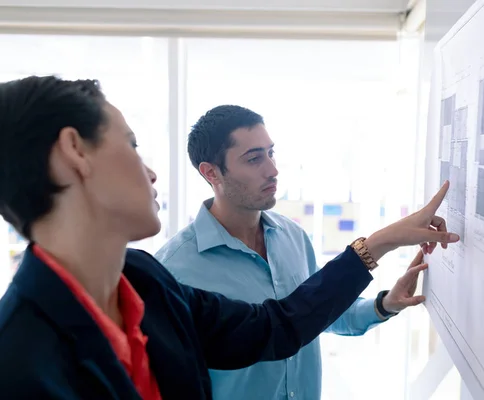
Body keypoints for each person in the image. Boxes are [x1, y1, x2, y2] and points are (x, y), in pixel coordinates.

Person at [0, 75, 458, 400]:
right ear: (74, 153)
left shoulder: (144, 281)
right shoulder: (19, 362)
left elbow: (276, 327)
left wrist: (379, 246)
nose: (152, 171)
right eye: (132, 144)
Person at [155, 105, 444, 400]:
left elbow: (317, 313)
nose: (272, 170)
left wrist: (385, 304)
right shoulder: (174, 269)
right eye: (254, 159)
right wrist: (378, 244)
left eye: (271, 153)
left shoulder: (292, 236)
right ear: (211, 172)